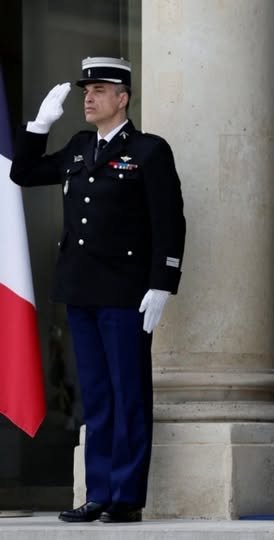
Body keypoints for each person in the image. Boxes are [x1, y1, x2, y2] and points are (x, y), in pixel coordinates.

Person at [10, 57, 186, 523]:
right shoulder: (78, 146)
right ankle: (99, 492)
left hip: (126, 292)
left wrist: (162, 283)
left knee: (129, 394)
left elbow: (169, 222)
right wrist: (39, 126)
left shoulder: (149, 150)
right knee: (96, 396)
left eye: (99, 90)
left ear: (122, 98)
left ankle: (125, 497)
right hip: (81, 289)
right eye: (86, 91)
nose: (88, 98)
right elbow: (23, 173)